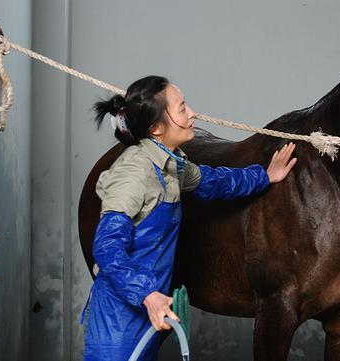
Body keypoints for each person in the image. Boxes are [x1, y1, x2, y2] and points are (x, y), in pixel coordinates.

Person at [81, 75, 297, 361]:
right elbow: (107, 248)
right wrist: (148, 295)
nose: (192, 113)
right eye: (182, 108)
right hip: (120, 314)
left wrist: (264, 176)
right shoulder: (133, 173)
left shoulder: (173, 164)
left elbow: (211, 181)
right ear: (156, 127)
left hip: (149, 306)